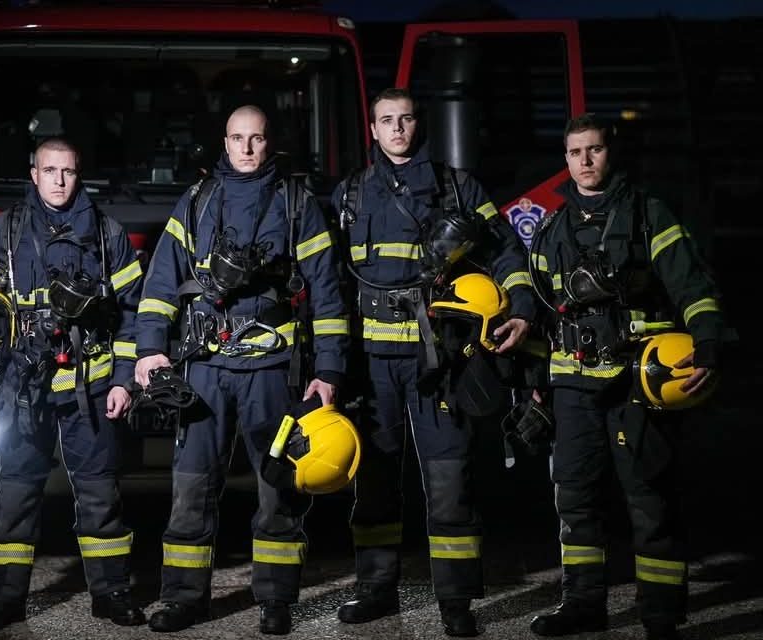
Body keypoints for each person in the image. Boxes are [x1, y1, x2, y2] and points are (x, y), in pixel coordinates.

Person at [0, 138, 146, 634]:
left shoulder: (107, 235)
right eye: (50, 170)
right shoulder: (5, 231)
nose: (59, 181)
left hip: (92, 384)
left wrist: (124, 381)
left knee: (100, 495)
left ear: (78, 173)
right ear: (34, 174)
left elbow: (134, 314)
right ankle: (4, 601)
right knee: (16, 494)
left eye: (68, 171)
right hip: (26, 386)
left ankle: (112, 594)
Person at [134, 104, 349, 636]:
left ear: (269, 142)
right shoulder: (198, 200)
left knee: (278, 487)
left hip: (272, 369)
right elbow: (162, 281)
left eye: (256, 139)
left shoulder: (297, 203)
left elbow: (326, 294)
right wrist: (149, 349)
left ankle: (275, 599)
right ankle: (183, 598)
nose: (247, 149)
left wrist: (329, 370)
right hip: (203, 366)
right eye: (237, 139)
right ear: (224, 144)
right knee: (191, 486)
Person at [330, 88, 536, 637]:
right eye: (386, 121)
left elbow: (509, 254)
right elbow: (323, 277)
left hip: (440, 357)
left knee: (449, 478)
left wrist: (521, 311)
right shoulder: (349, 194)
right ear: (372, 129)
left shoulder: (459, 187)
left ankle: (456, 602)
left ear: (419, 124)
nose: (397, 129)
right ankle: (375, 591)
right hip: (372, 364)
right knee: (373, 480)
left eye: (406, 119)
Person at [527, 114, 723, 640]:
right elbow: (543, 307)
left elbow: (691, 283)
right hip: (573, 383)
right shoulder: (553, 225)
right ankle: (583, 603)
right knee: (575, 495)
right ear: (564, 159)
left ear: (611, 154)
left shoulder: (647, 214)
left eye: (594, 150)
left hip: (638, 380)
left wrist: (706, 341)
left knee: (648, 494)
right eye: (575, 153)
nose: (585, 162)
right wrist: (534, 377)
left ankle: (660, 613)